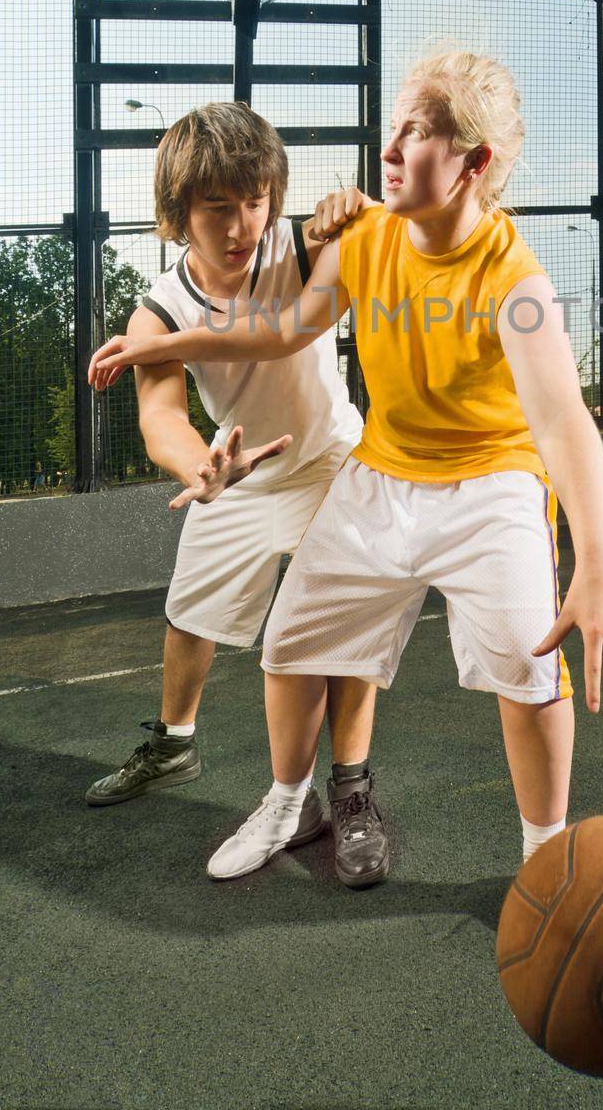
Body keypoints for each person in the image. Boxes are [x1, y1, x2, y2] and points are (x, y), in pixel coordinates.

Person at [89, 51, 603, 876]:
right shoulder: (362, 234)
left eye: (417, 132)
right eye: (392, 127)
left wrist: (602, 560)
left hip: (489, 483)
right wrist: (170, 345)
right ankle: (291, 805)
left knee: (528, 661)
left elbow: (563, 421)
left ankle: (545, 853)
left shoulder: (517, 281)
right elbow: (284, 330)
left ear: (476, 163)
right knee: (289, 644)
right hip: (380, 472)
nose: (390, 147)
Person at [85, 100, 390, 890]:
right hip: (240, 472)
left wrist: (349, 209)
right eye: (218, 207)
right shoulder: (157, 307)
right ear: (177, 214)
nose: (242, 223)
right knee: (189, 615)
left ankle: (349, 788)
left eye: (256, 200)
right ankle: (175, 743)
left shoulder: (300, 242)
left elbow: (300, 316)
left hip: (330, 460)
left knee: (337, 628)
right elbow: (161, 419)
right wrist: (201, 469)